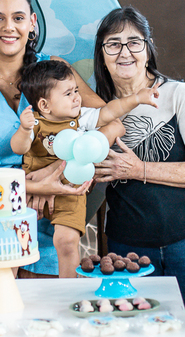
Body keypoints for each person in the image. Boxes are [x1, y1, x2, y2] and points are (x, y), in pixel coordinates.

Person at [0, 0, 100, 278]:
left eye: (18, 17)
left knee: (51, 307)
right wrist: (32, 186)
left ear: (32, 23)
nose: (9, 27)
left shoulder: (55, 70)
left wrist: (57, 170)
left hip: (51, 221)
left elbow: (107, 123)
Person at [91, 7, 185, 327]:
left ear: (148, 50)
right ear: (102, 55)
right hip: (128, 247)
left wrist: (139, 169)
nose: (125, 52)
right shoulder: (97, 110)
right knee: (139, 336)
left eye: (134, 42)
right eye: (113, 44)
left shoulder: (176, 94)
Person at [12, 59, 158, 277]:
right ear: (44, 105)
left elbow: (110, 111)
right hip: (34, 190)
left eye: (76, 91)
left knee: (67, 241)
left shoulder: (82, 118)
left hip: (71, 190)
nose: (76, 97)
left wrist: (137, 98)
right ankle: (5, 285)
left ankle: (69, 289)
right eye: (68, 93)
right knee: (14, 238)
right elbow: (18, 148)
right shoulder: (34, 122)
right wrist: (24, 130)